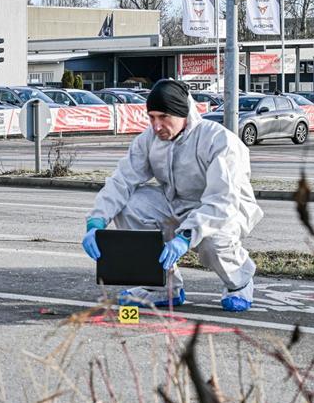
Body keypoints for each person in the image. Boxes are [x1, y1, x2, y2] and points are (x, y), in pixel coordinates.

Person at [82, 79, 263, 312]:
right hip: (177, 204)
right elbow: (122, 181)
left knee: (212, 240)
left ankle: (239, 281)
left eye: (164, 117)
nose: (156, 126)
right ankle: (163, 286)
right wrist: (96, 221)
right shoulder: (149, 140)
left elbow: (222, 199)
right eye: (152, 117)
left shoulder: (218, 141)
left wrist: (186, 237)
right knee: (130, 206)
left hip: (226, 209)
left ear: (183, 113)